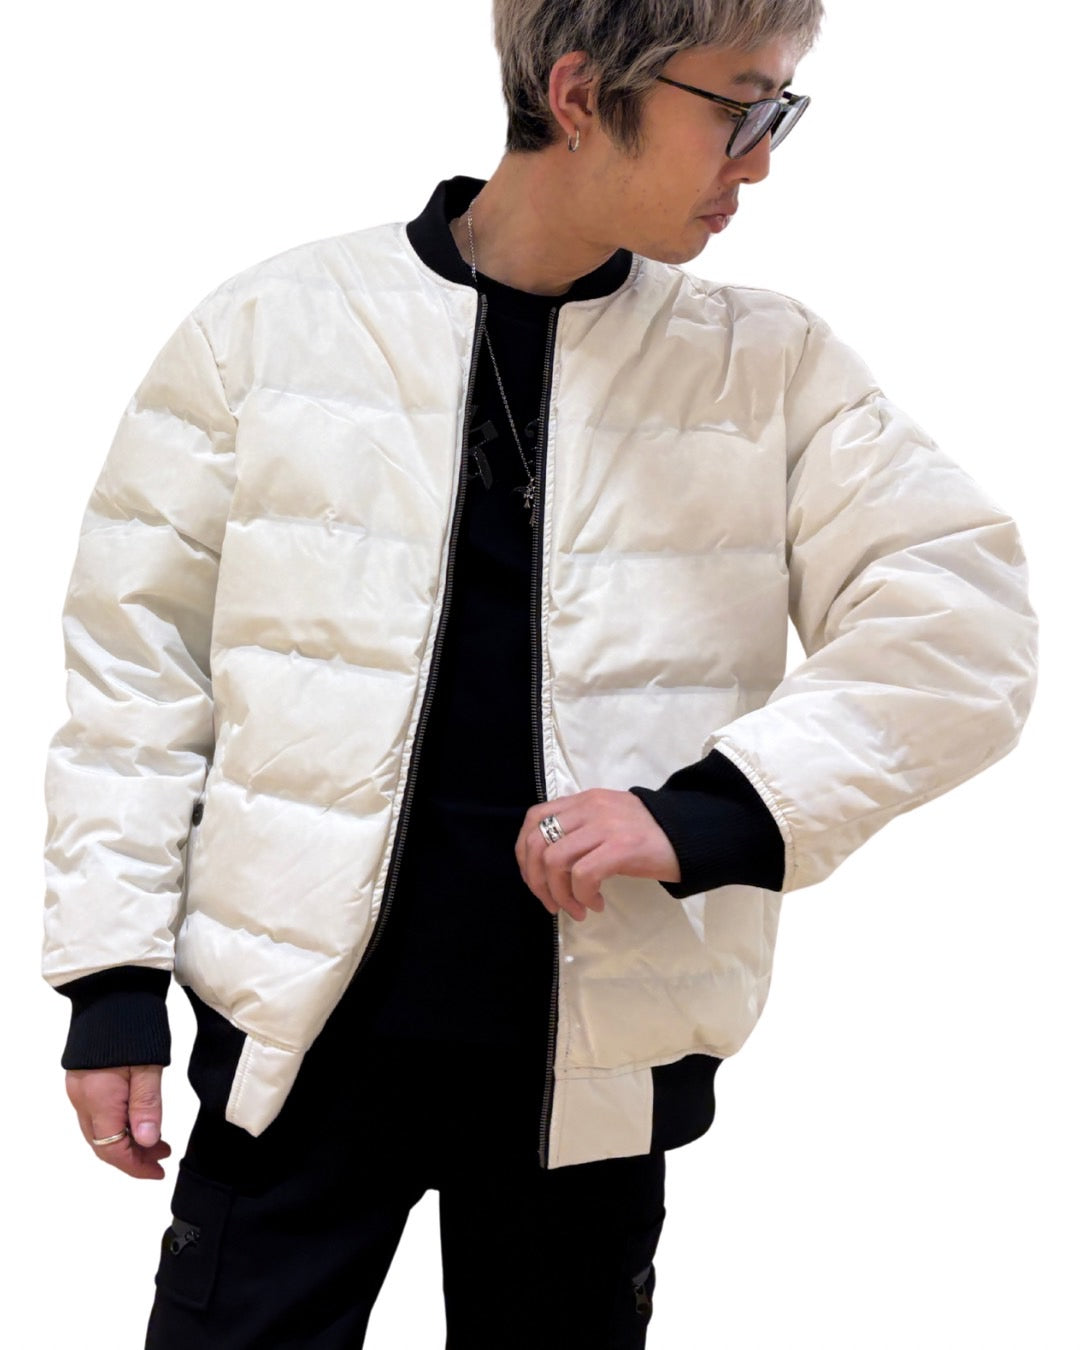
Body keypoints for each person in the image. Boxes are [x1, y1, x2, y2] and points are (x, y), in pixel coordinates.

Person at [43, 1, 1037, 1345]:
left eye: (780, 110)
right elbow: (134, 670)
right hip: (294, 1055)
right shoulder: (271, 331)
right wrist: (111, 983)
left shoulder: (767, 369)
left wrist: (716, 811)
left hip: (590, 1076)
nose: (760, 159)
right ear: (579, 93)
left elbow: (965, 620)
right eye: (741, 107)